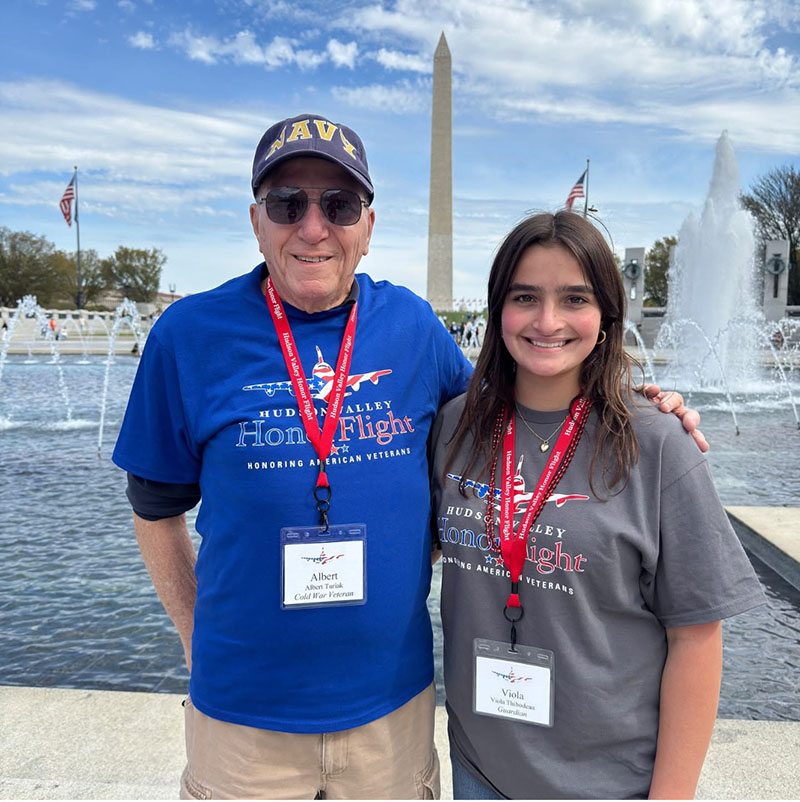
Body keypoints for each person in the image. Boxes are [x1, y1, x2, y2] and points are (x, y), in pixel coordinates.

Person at [113, 115, 704, 800]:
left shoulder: (413, 328)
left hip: (391, 714)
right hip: (242, 718)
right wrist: (195, 633)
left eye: (338, 206)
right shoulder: (187, 336)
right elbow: (154, 507)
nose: (312, 227)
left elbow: (521, 402)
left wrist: (631, 404)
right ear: (256, 221)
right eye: (287, 204)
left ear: (367, 226)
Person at [430, 211, 765, 800]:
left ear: (606, 315)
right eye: (525, 296)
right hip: (479, 770)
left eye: (574, 298)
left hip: (608, 784)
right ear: (497, 310)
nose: (548, 321)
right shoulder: (456, 427)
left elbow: (697, 638)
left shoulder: (658, 444)